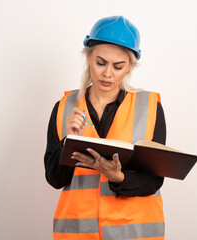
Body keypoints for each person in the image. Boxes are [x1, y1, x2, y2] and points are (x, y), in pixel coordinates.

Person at [44, 16, 166, 240]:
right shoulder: (63, 108)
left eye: (118, 66)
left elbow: (154, 181)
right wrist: (67, 142)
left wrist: (119, 177)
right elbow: (54, 179)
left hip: (133, 233)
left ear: (130, 66)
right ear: (88, 57)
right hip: (78, 234)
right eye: (100, 63)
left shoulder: (150, 108)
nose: (108, 73)